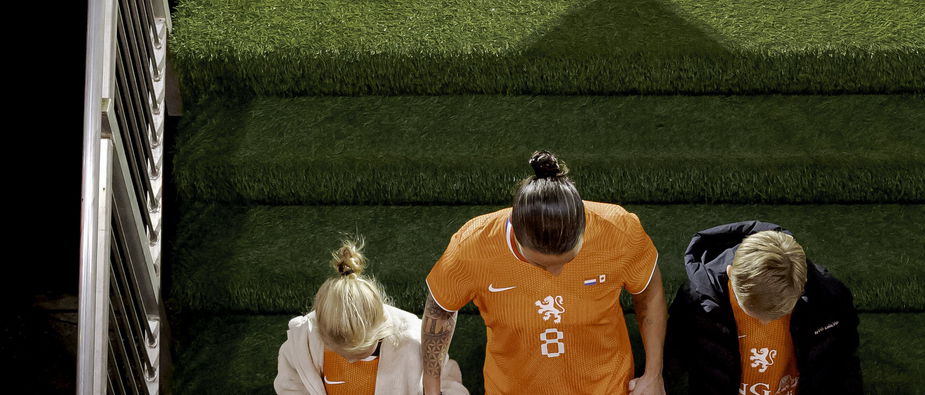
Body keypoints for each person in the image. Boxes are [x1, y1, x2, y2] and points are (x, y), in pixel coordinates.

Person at [421, 151, 667, 395]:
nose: (556, 273)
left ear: (583, 227)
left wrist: (654, 375)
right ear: (515, 233)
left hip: (607, 386)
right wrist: (432, 390)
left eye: (568, 259)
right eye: (540, 265)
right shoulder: (473, 244)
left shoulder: (618, 228)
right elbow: (439, 311)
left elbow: (649, 293)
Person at [665, 221, 862, 395]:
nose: (766, 323)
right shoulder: (698, 299)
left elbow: (844, 361)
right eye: (753, 312)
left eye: (780, 313)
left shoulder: (829, 297)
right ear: (732, 275)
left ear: (802, 284)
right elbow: (673, 352)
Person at [275, 239, 469, 394]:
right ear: (320, 333)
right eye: (342, 354)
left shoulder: (413, 340)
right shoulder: (302, 344)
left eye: (362, 354)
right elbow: (290, 387)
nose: (351, 362)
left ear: (381, 329)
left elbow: (448, 383)